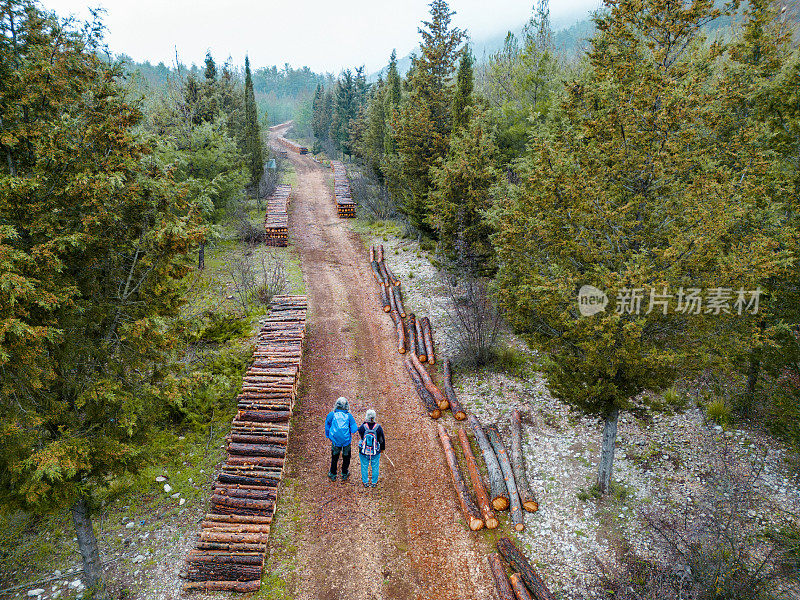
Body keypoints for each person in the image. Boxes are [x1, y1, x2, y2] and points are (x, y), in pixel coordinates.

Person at [325, 397, 358, 481]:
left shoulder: (332, 414)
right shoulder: (349, 416)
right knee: (346, 457)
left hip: (335, 441)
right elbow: (354, 429)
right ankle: (344, 473)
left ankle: (333, 473)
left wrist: (329, 436)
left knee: (334, 456)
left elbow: (327, 426)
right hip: (346, 441)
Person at [358, 409, 385, 488]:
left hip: (364, 451)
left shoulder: (363, 427)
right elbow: (382, 440)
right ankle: (374, 482)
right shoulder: (378, 427)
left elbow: (360, 433)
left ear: (367, 417)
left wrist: (364, 422)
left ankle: (365, 482)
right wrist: (382, 449)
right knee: (375, 466)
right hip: (375, 451)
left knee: (364, 466)